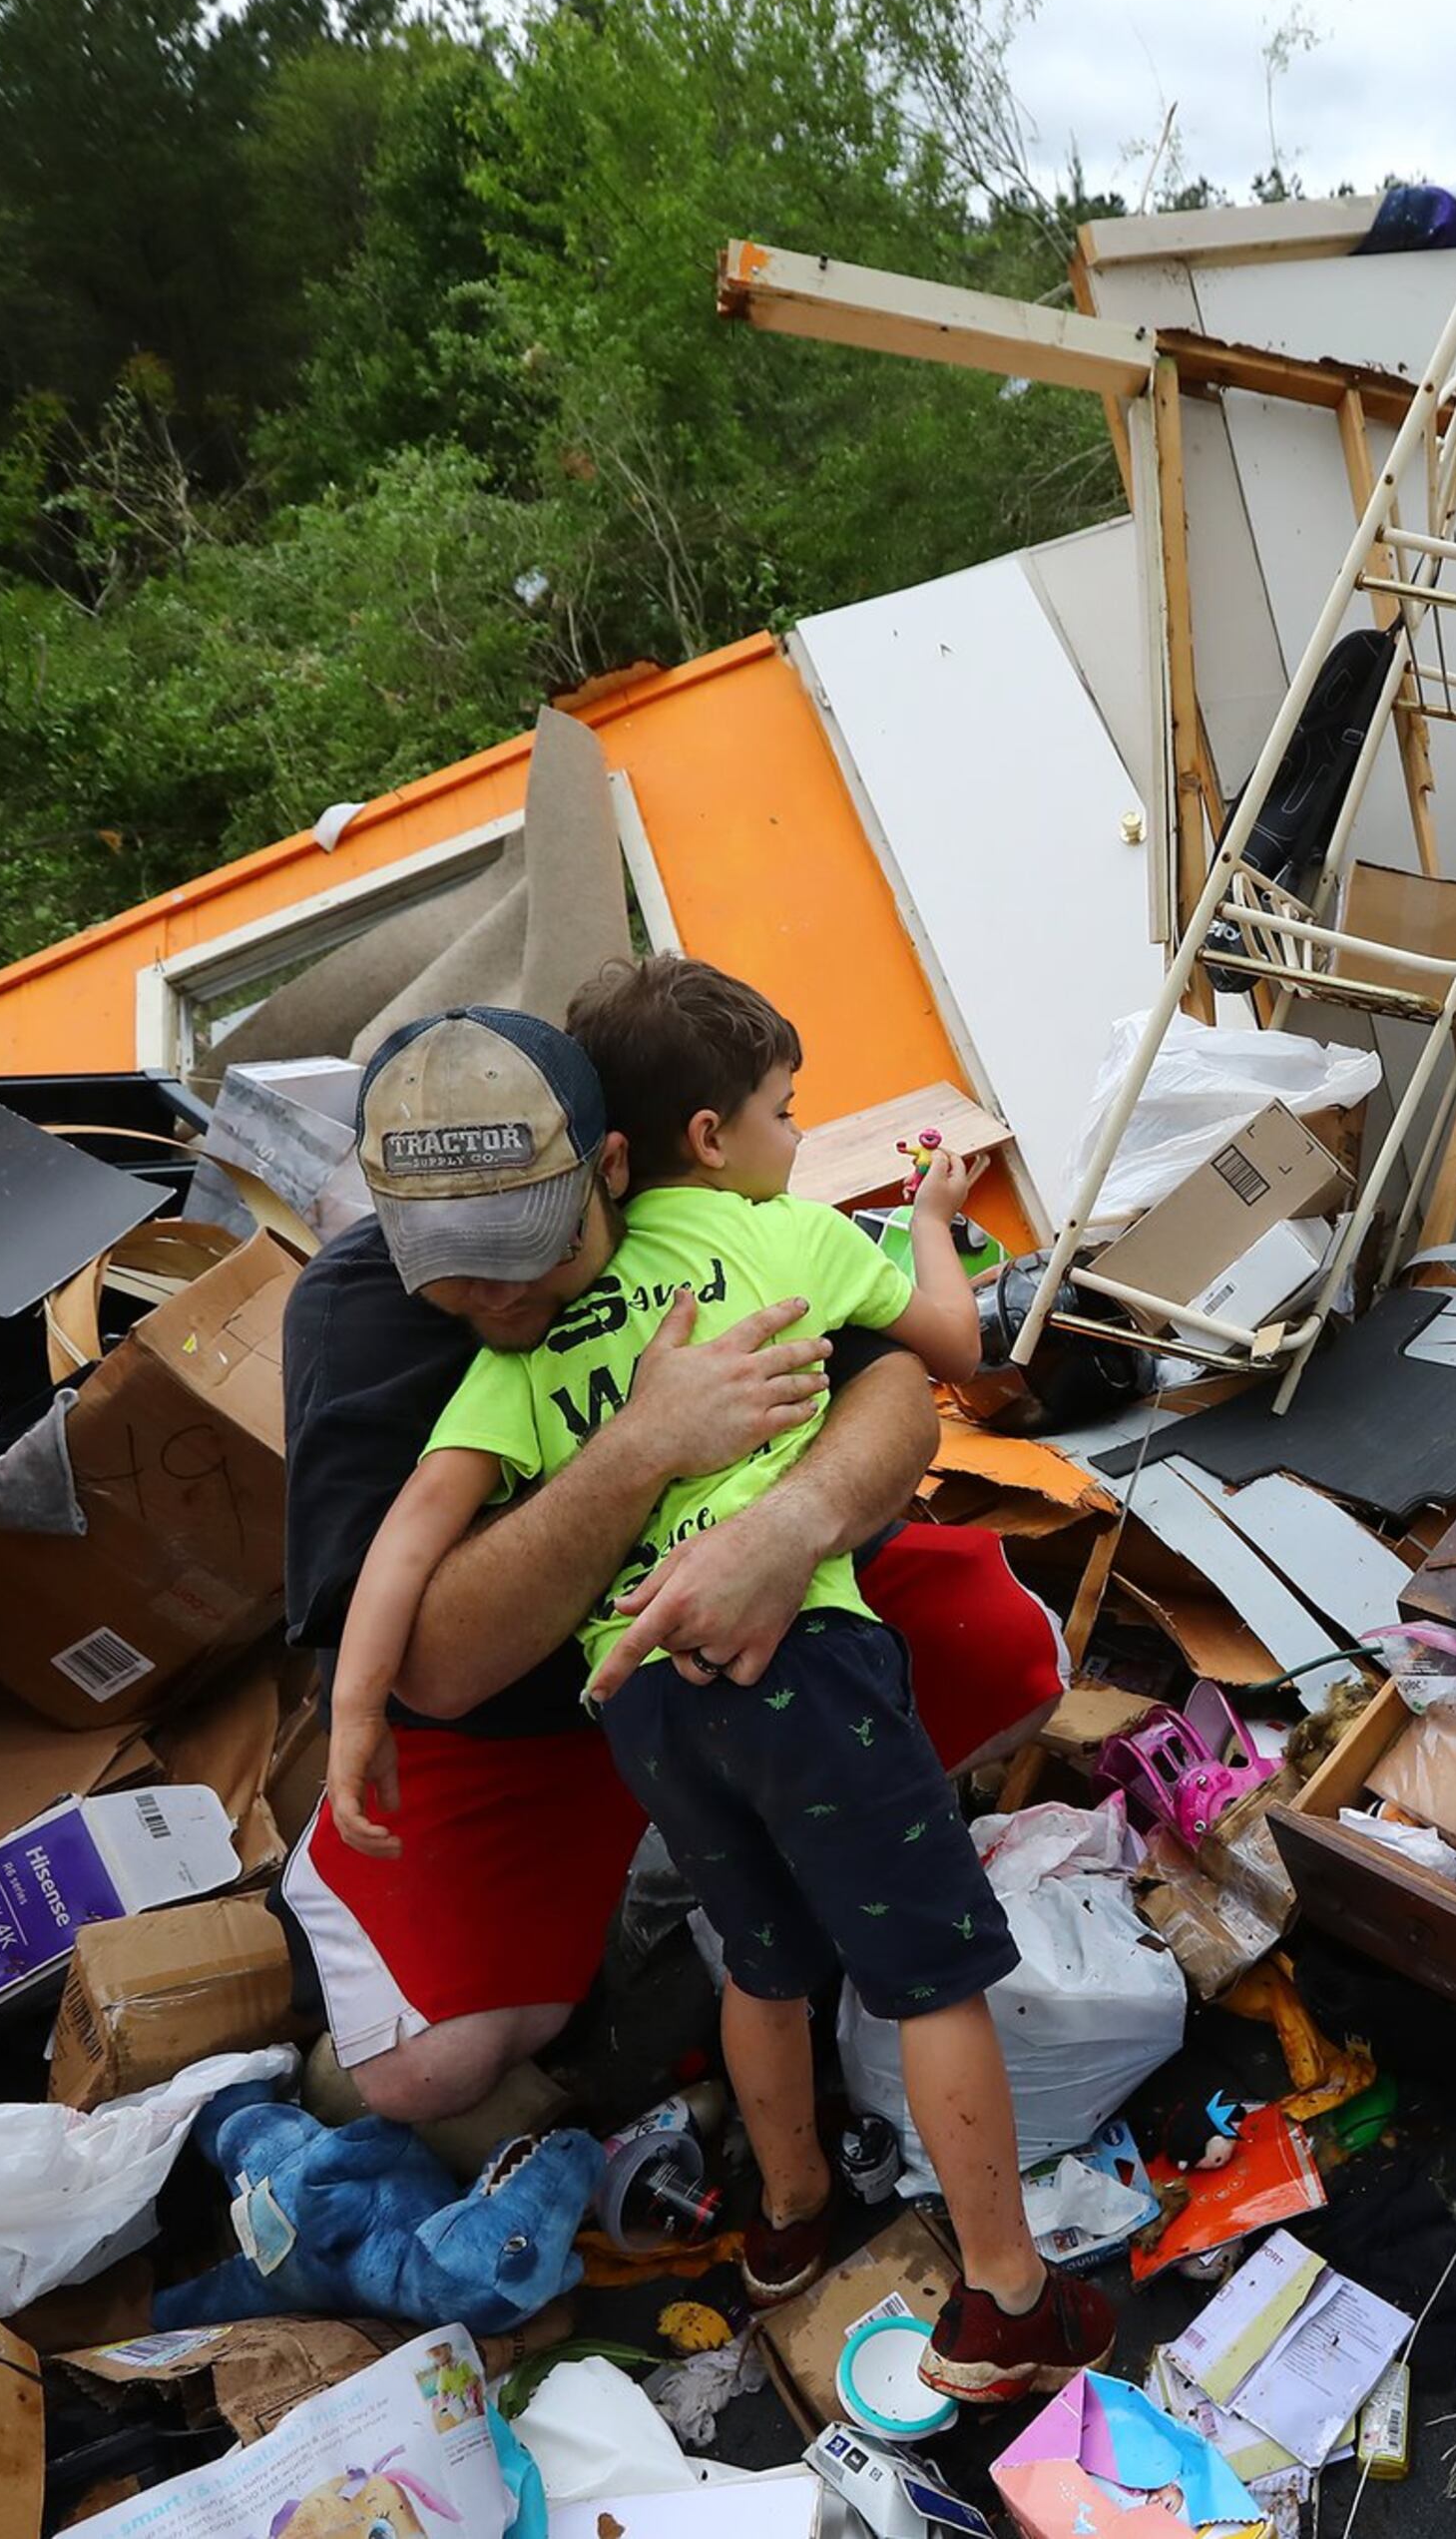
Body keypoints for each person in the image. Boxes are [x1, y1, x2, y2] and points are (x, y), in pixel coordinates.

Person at [303, 978, 1112, 2403]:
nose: (494, 1298)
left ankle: (783, 2223)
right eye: (454, 1271)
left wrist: (777, 1533)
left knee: (777, 1934)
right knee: (927, 1975)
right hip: (536, 1713)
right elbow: (434, 1655)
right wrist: (644, 1448)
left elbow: (894, 1403)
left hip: (647, 1691)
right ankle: (1004, 2302)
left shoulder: (641, 1275)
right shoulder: (373, 1316)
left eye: (523, 1253)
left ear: (613, 1161)